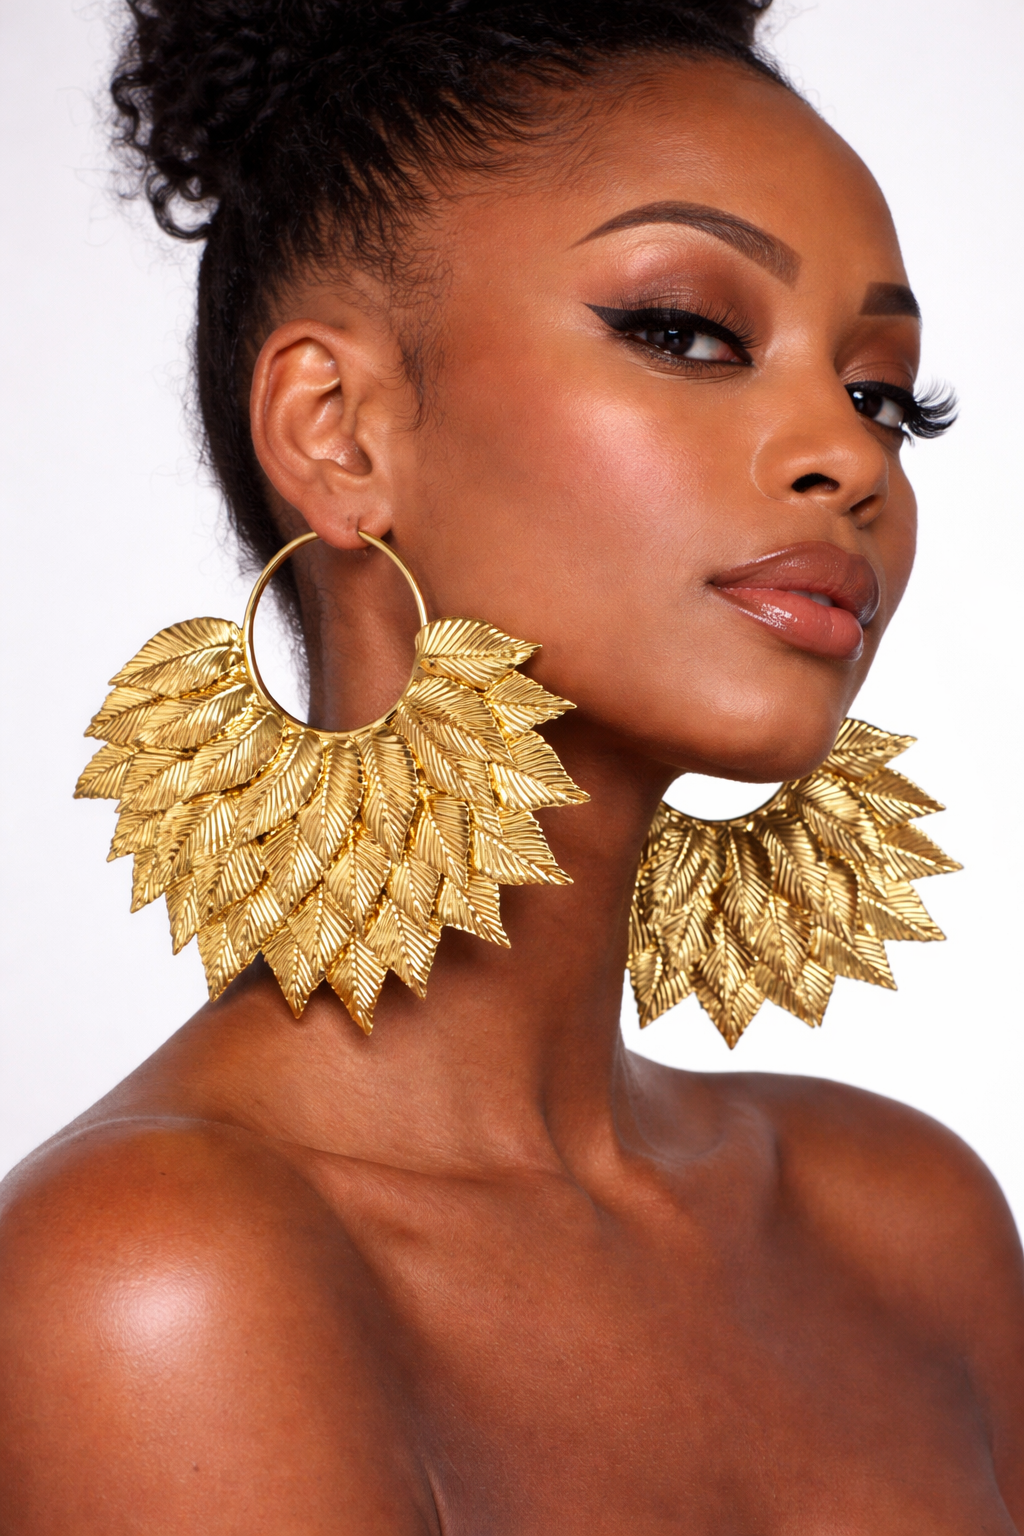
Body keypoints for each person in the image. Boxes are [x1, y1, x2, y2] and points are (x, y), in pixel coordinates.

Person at [1, 1, 1021, 1529]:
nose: (852, 456)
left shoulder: (911, 1224)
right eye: (687, 331)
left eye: (883, 394)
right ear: (339, 432)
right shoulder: (156, 1281)